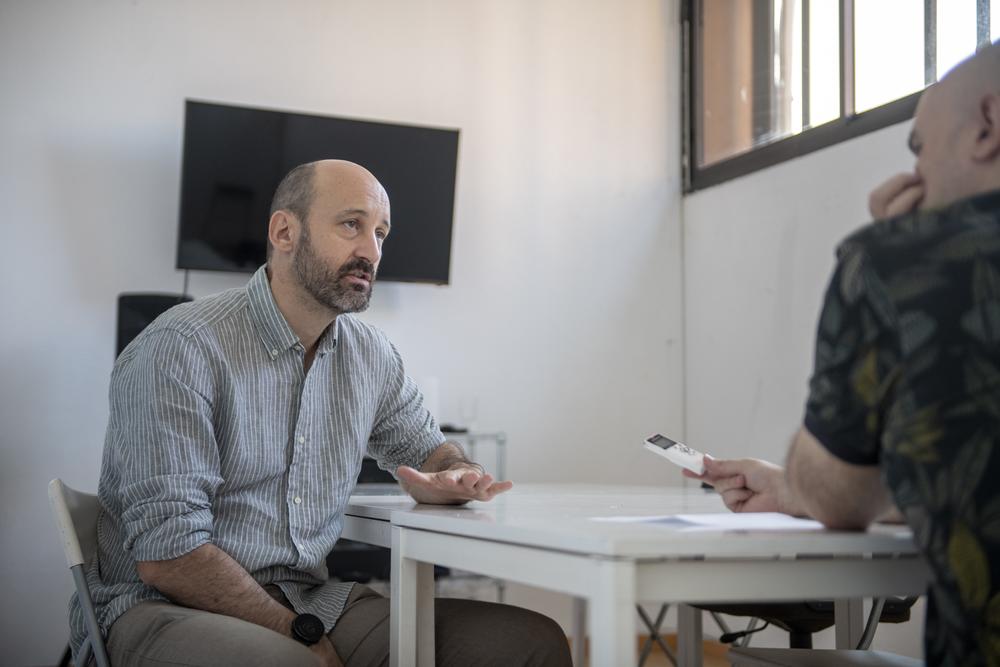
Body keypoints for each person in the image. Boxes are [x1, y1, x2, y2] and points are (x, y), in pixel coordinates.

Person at [69, 160, 571, 666]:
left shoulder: (371, 355)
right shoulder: (180, 347)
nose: (371, 251)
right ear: (284, 232)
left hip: (311, 602)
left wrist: (455, 474)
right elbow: (169, 556)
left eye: (380, 233)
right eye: (352, 224)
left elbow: (431, 451)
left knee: (530, 642)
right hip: (166, 609)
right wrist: (294, 633)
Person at [688, 42, 1000, 665]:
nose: (914, 174)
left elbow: (838, 498)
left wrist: (895, 243)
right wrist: (785, 489)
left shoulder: (902, 262)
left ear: (987, 127)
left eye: (919, 148)